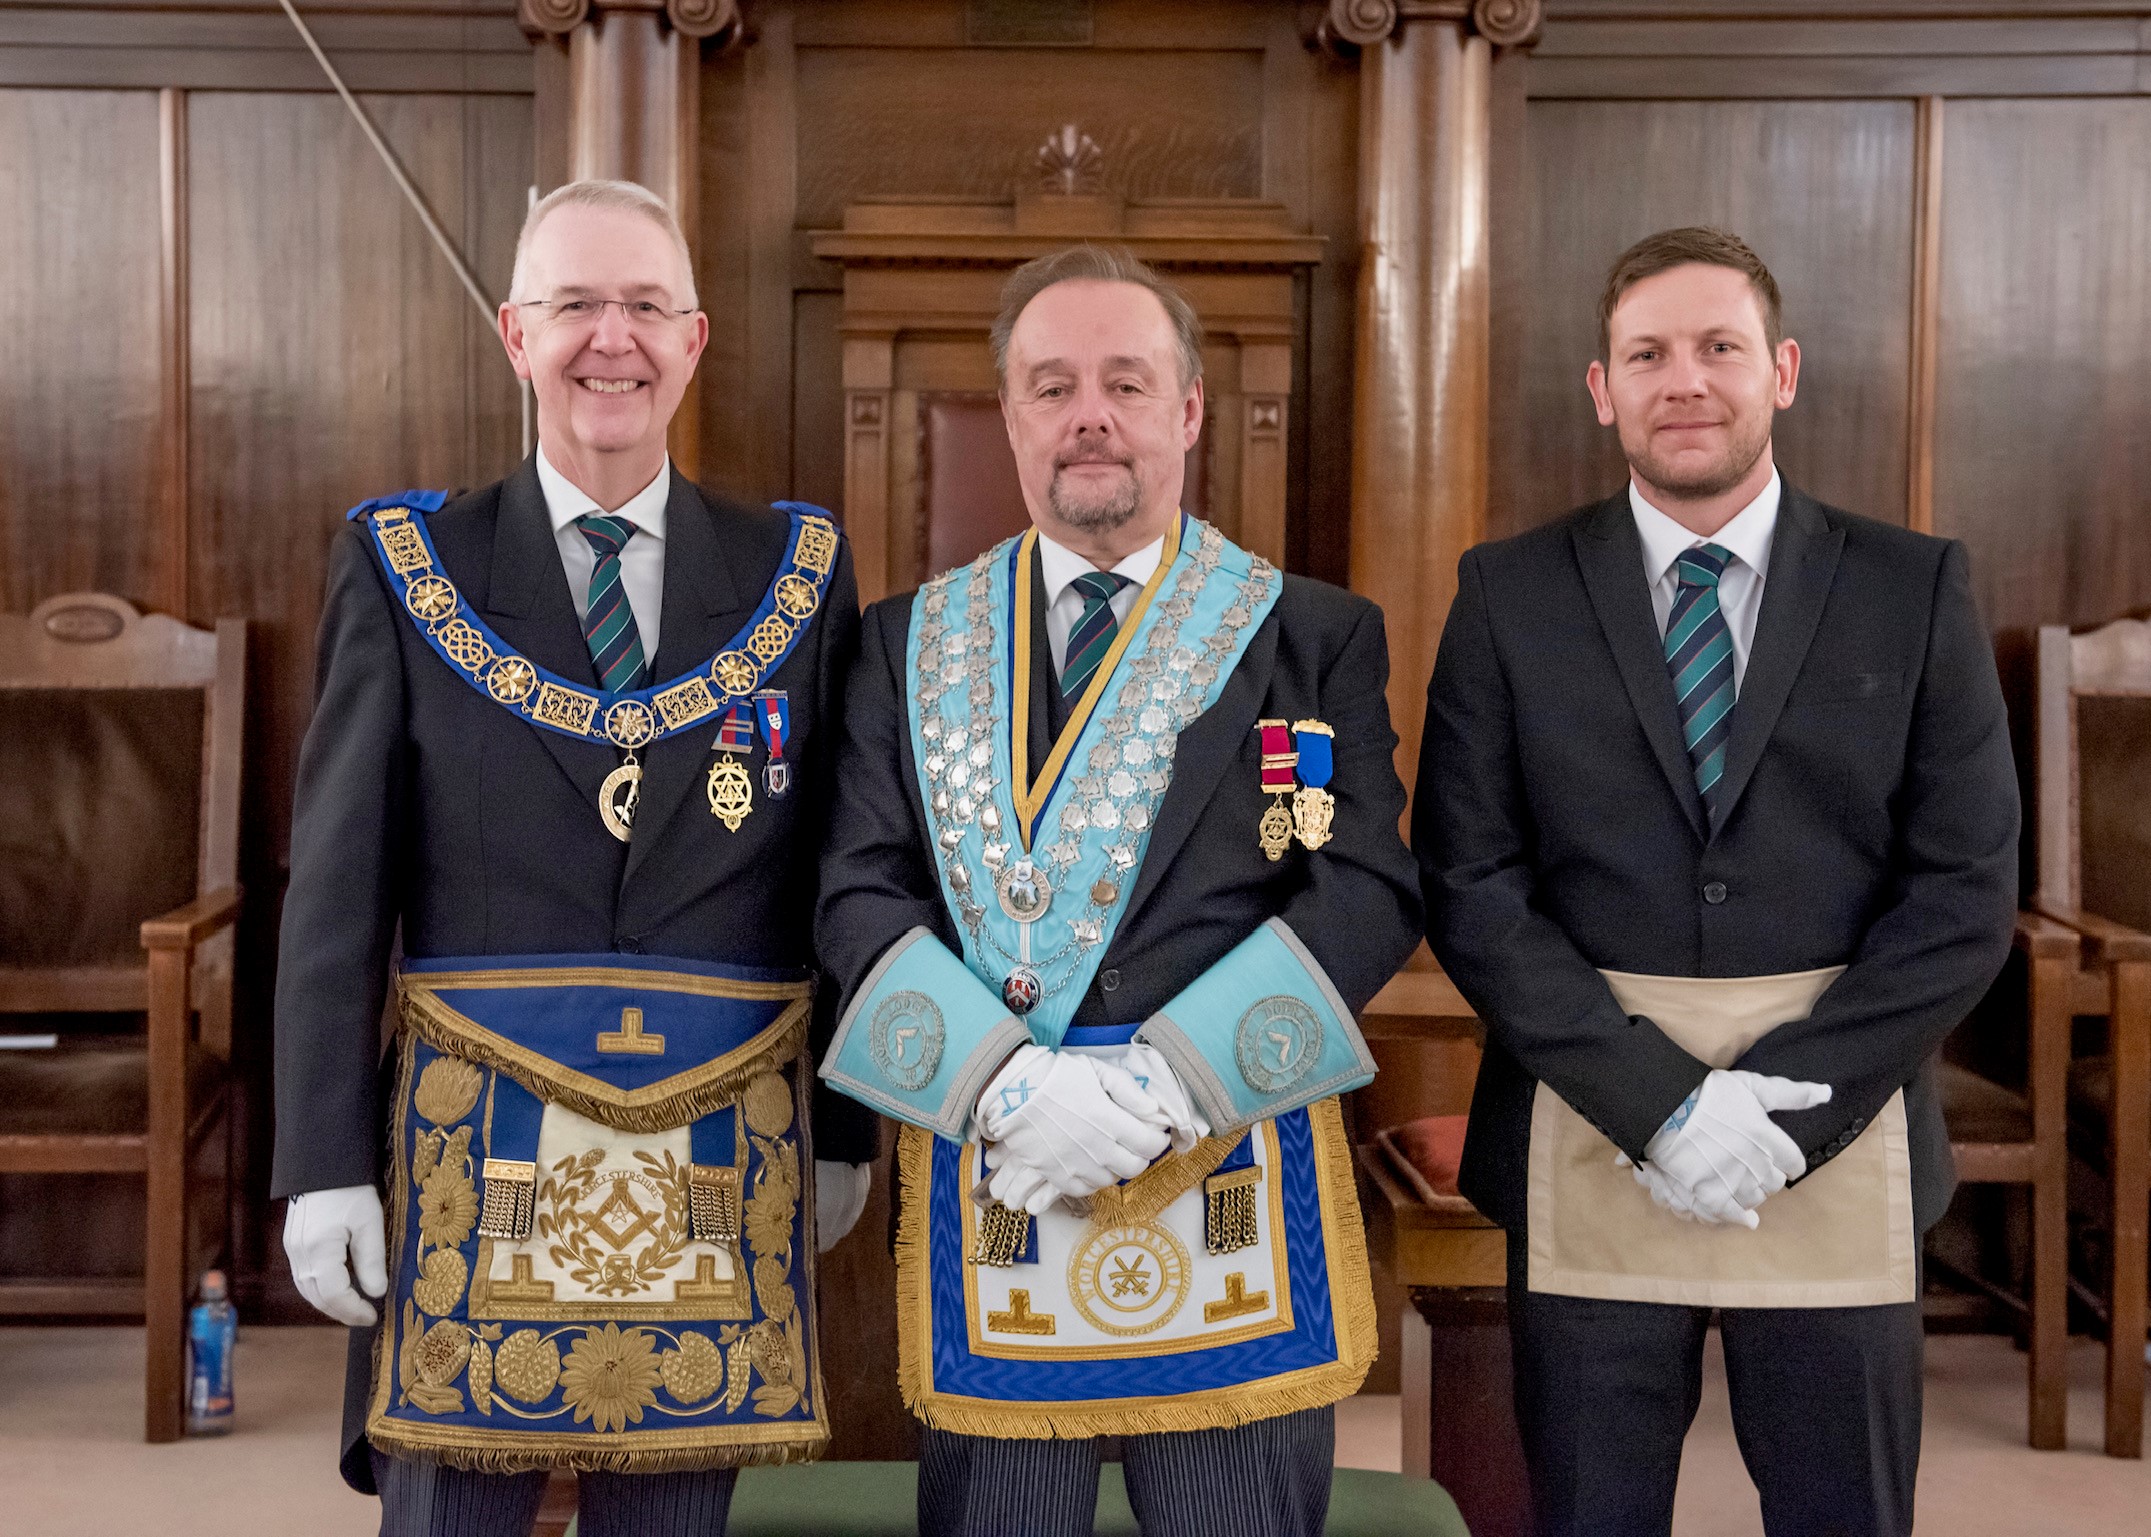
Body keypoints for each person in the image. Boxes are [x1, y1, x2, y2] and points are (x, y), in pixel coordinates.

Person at [271, 178, 875, 1537]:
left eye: (647, 305)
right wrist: (318, 1160)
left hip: (719, 1148)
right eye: (578, 305)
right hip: (466, 1159)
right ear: (515, 335)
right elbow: (338, 889)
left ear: (696, 337)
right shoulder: (405, 563)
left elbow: (836, 871)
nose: (616, 338)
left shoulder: (798, 567)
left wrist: (846, 1127)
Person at [1416, 227, 2018, 1537]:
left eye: (1717, 347)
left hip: (1841, 1135)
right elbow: (1470, 879)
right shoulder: (1507, 594)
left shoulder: (1914, 588)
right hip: (1588, 1124)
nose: (1683, 380)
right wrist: (1663, 1106)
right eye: (1647, 354)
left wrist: (1788, 1112)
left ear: (1782, 369)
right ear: (1603, 387)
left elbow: (1964, 892)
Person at [815, 245, 1421, 1537]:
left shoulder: (1309, 631)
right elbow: (856, 888)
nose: (1089, 413)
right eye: (1052, 385)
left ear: (1187, 410)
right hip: (996, 1167)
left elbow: (1364, 884)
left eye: (1125, 382)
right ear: (1013, 415)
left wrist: (1165, 1082)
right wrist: (1008, 1085)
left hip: (1222, 1155)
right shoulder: (905, 641)